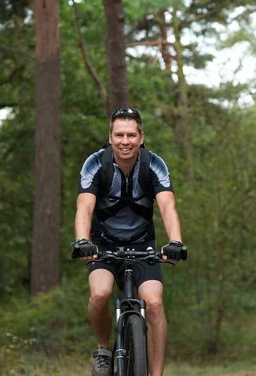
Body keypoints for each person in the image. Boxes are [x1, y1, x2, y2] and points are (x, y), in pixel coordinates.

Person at [72, 107, 185, 376]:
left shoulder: (154, 164)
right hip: (103, 243)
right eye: (119, 135)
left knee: (154, 302)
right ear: (110, 137)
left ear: (141, 137)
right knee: (100, 293)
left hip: (142, 243)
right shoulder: (95, 163)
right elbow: (84, 208)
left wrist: (175, 242)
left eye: (131, 135)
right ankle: (103, 349)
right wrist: (82, 240)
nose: (126, 141)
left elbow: (168, 207)